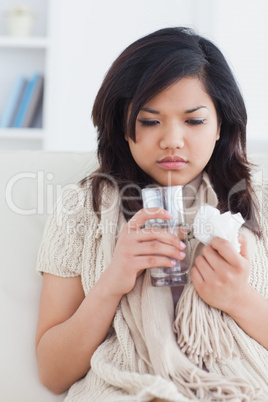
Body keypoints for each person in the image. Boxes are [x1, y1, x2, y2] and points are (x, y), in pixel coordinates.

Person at [35, 27, 268, 401]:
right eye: (149, 120)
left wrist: (239, 298)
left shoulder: (260, 201)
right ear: (122, 126)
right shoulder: (81, 209)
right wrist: (113, 280)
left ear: (220, 124)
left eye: (193, 121)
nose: (172, 139)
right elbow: (53, 373)